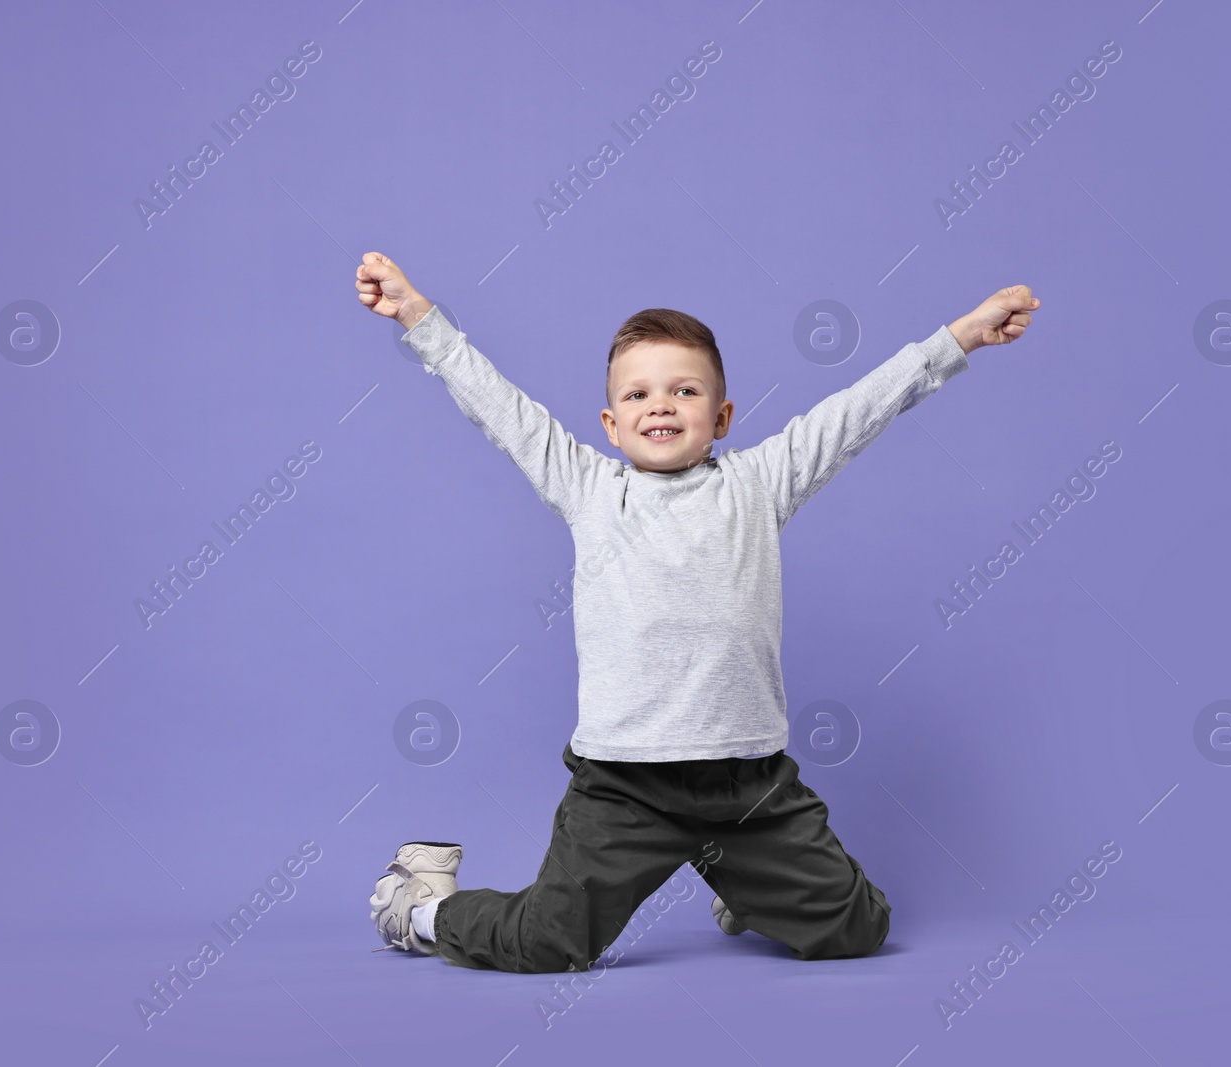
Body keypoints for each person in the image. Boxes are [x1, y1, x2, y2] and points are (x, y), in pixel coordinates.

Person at [355, 251, 1038, 972]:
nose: (660, 404)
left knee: (857, 928)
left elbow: (859, 410)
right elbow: (497, 406)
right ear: (611, 423)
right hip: (625, 787)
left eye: (684, 390)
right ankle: (423, 906)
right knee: (548, 941)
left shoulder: (760, 482)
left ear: (721, 417)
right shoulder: (590, 488)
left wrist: (957, 337)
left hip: (747, 786)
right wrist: (417, 315)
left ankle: (747, 880)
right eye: (639, 394)